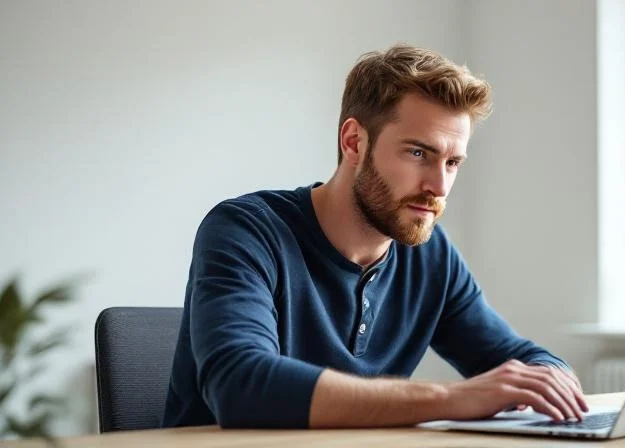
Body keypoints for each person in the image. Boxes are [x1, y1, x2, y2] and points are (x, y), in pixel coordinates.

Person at [162, 43, 588, 430]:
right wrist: (449, 398)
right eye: (419, 153)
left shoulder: (429, 255)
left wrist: (549, 381)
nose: (439, 187)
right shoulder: (246, 230)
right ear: (354, 142)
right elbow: (241, 386)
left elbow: (525, 361)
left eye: (453, 162)